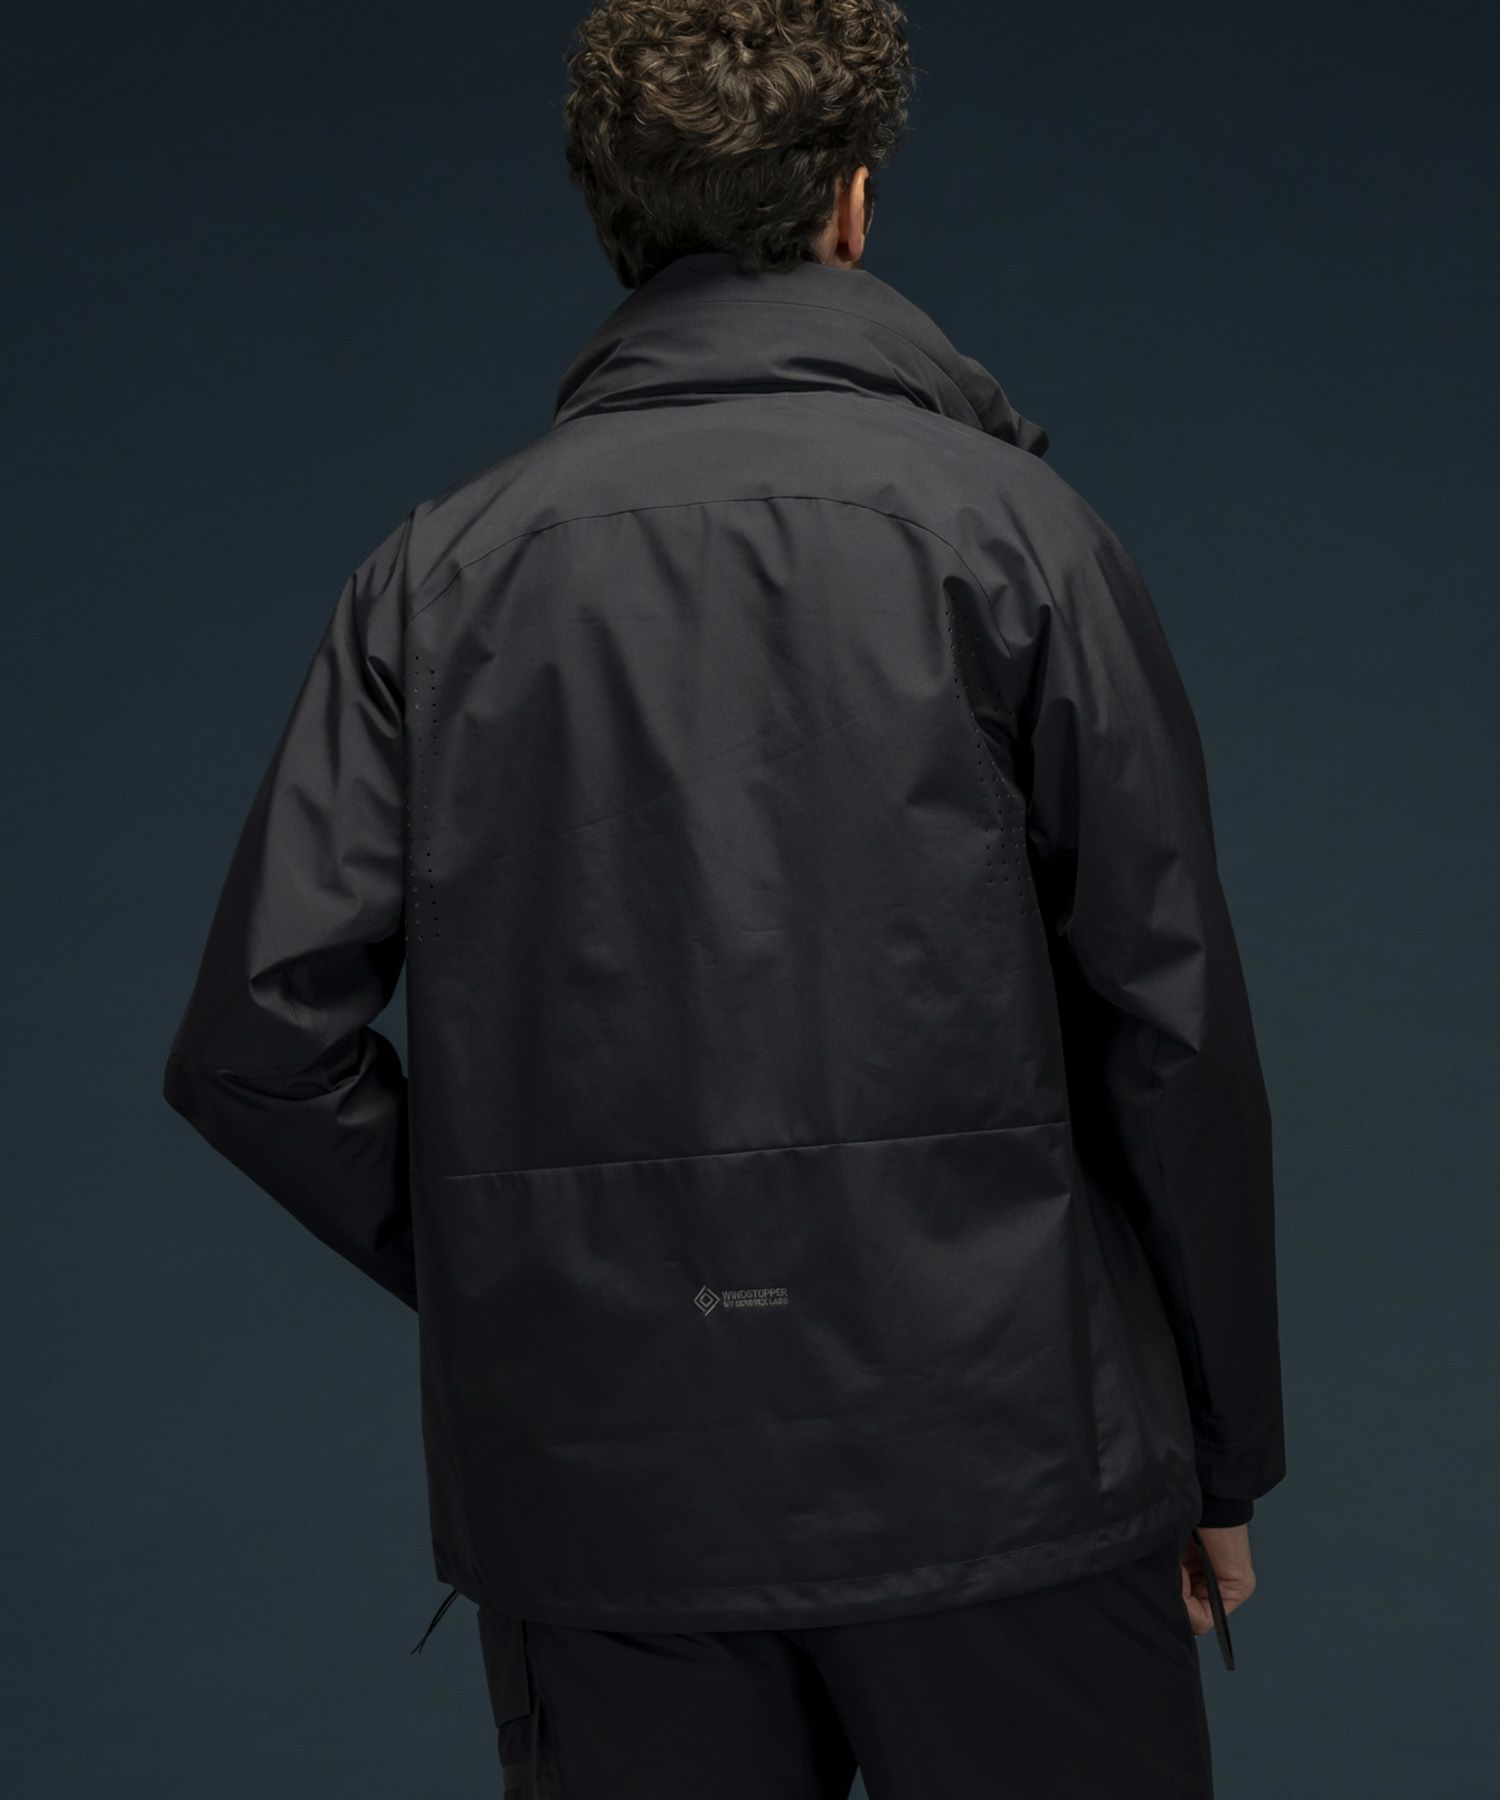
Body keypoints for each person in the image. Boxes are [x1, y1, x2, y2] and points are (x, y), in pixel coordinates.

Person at [162, 2, 1286, 1794]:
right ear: (852, 202)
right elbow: (1172, 1033)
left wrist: (539, 1278)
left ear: (619, 218)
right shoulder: (1016, 539)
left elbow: (256, 1047)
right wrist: (1217, 1457)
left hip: (609, 1503)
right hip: (1006, 1472)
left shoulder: (431, 580)